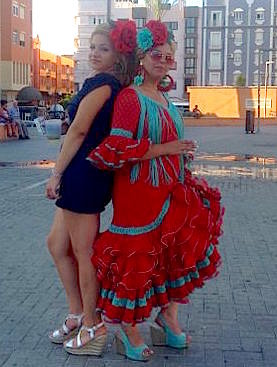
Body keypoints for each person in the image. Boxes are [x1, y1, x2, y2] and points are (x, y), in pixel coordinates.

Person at [88, 20, 224, 362]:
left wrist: (181, 154)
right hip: (137, 191)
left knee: (174, 252)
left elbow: (167, 143)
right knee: (138, 257)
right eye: (155, 55)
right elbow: (117, 148)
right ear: (141, 59)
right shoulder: (130, 98)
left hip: (168, 186)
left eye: (167, 57)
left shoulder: (163, 97)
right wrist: (170, 148)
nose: (162, 61)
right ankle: (130, 328)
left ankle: (167, 317)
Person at [45, 20, 137, 356]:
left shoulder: (103, 85)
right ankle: (77, 312)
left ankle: (92, 324)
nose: (95, 53)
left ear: (117, 55)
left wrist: (54, 175)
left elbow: (79, 132)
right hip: (81, 174)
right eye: (93, 47)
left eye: (104, 48)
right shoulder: (102, 83)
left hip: (84, 175)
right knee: (57, 244)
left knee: (84, 253)